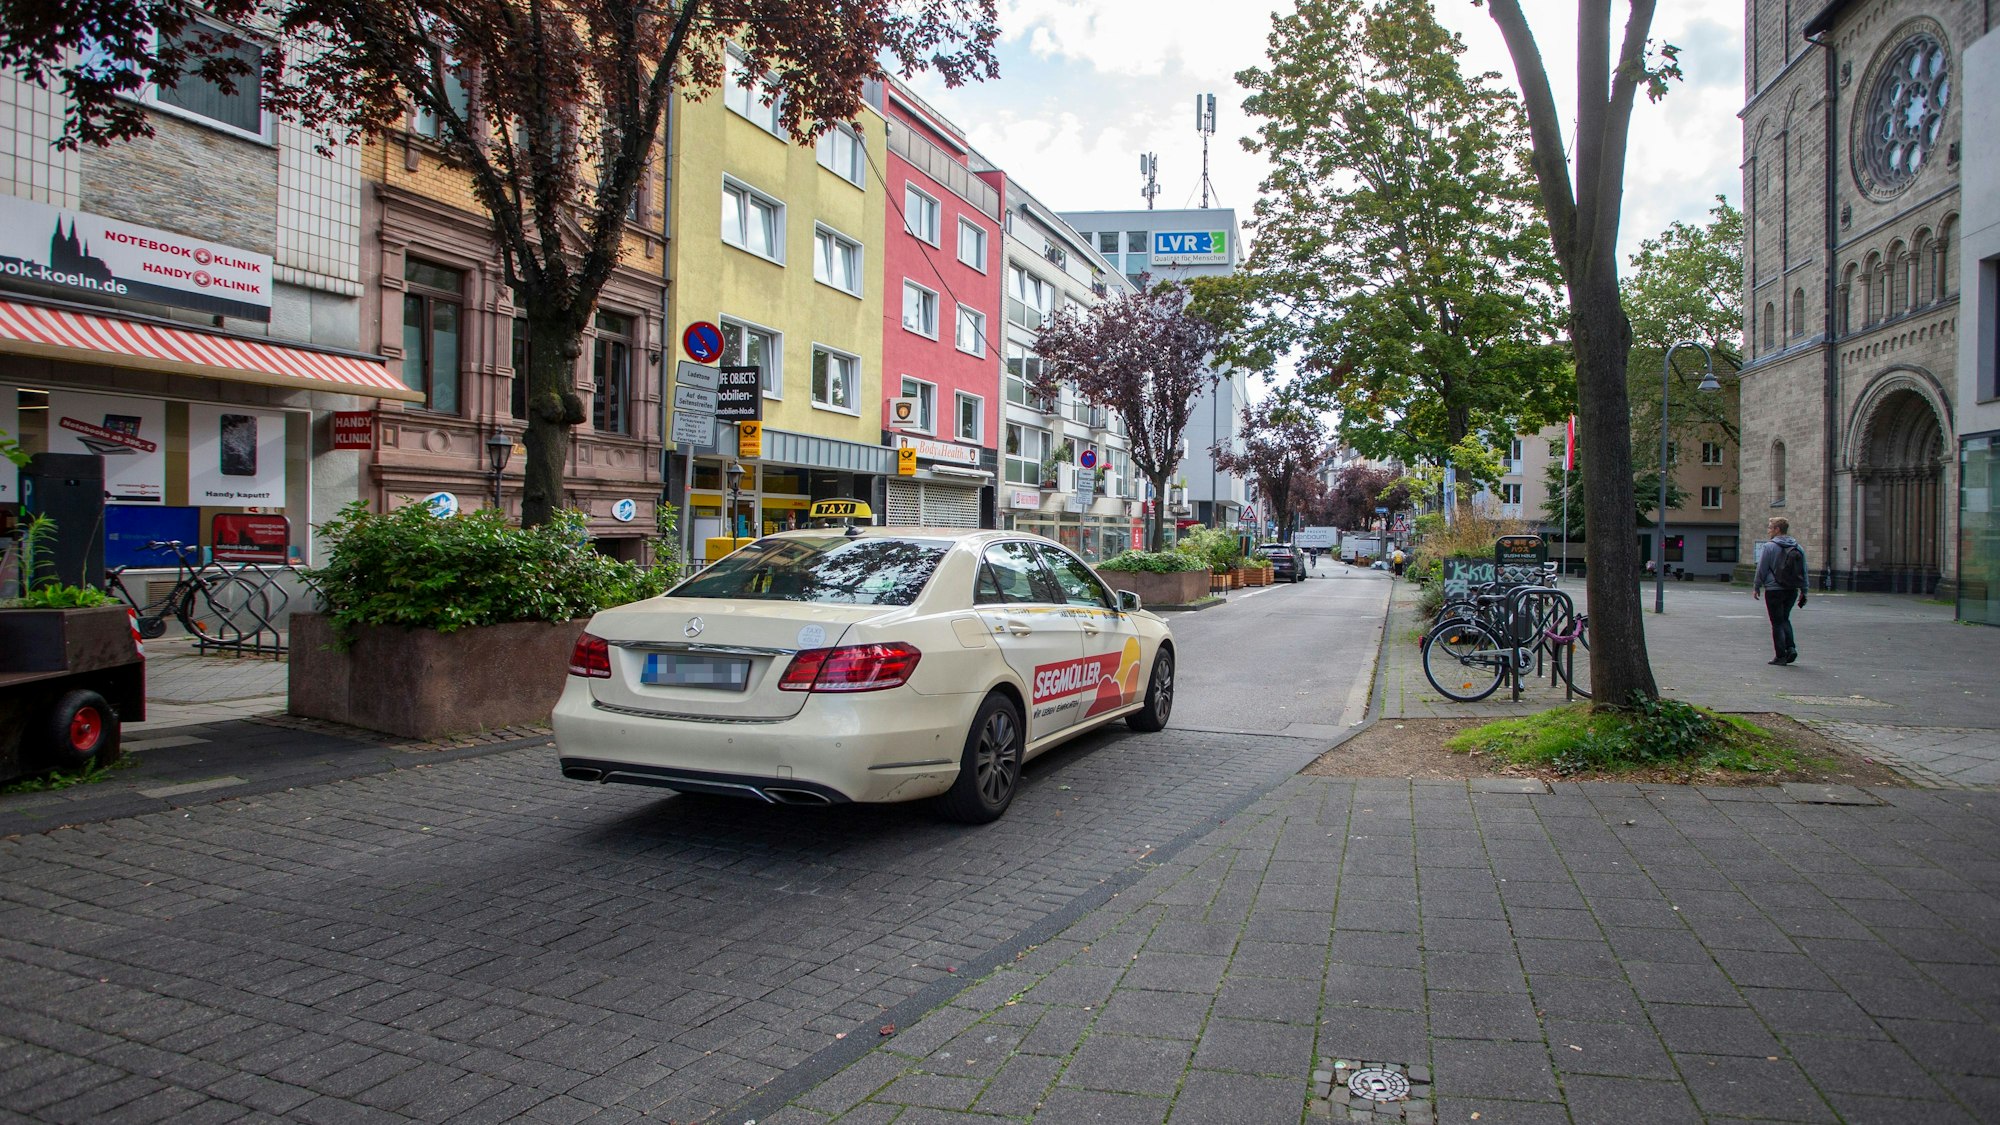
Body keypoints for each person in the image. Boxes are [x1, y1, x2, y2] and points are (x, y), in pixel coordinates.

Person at [1752, 516, 1808, 665]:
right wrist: (1804, 590)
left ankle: (1780, 656)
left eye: (1770, 527)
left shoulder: (1769, 547)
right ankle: (1791, 648)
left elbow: (1762, 568)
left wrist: (1757, 586)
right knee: (1785, 618)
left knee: (1776, 622)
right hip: (1791, 589)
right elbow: (1804, 570)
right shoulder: (1797, 547)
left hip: (1774, 589)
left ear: (1777, 529)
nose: (1768, 530)